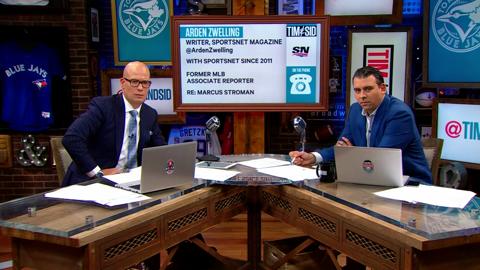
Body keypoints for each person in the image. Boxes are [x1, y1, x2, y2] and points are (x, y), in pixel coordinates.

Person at [290, 66, 432, 183]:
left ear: (382, 88)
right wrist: (314, 157)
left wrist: (352, 154)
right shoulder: (355, 110)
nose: (362, 96)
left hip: (409, 183)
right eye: (357, 90)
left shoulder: (399, 114)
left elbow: (381, 160)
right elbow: (341, 147)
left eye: (368, 89)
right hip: (371, 179)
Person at [62, 61, 166, 186]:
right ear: (122, 83)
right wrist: (98, 173)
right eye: (134, 82)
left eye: (145, 83)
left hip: (132, 184)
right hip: (94, 184)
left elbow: (161, 150)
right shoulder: (103, 107)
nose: (140, 88)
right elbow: (72, 138)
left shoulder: (149, 114)